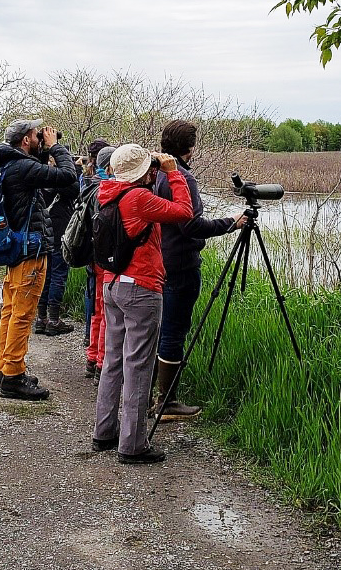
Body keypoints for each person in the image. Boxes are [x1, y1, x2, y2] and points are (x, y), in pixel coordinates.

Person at [92, 144, 193, 465]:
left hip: (111, 283)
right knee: (138, 366)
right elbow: (184, 213)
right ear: (141, 172)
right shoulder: (138, 198)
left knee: (113, 361)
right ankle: (133, 444)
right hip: (140, 288)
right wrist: (174, 174)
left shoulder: (107, 191)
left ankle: (105, 431)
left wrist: (152, 169)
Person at [152, 120, 248, 419]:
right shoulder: (180, 178)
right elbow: (191, 225)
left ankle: (151, 396)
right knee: (174, 332)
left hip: (160, 260)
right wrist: (232, 222)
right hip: (180, 265)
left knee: (161, 329)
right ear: (190, 147)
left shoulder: (155, 173)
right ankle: (166, 403)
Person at [0, 119, 77, 400]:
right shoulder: (23, 167)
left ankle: (8, 368)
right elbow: (67, 176)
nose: (42, 137)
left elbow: (39, 171)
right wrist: (56, 147)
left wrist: (44, 148)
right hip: (30, 251)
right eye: (37, 135)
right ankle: (13, 376)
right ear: (26, 140)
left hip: (17, 250)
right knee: (23, 314)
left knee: (11, 311)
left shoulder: (10, 164)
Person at [35, 154, 80, 337]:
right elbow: (75, 189)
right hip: (60, 230)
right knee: (58, 275)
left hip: (43, 231)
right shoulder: (62, 179)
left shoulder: (39, 175)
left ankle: (40, 318)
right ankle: (54, 320)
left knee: (45, 274)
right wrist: (74, 169)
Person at [84, 145, 117, 378]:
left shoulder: (89, 184)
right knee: (106, 312)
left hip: (93, 257)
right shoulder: (107, 189)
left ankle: (92, 356)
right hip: (106, 259)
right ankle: (101, 364)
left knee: (98, 309)